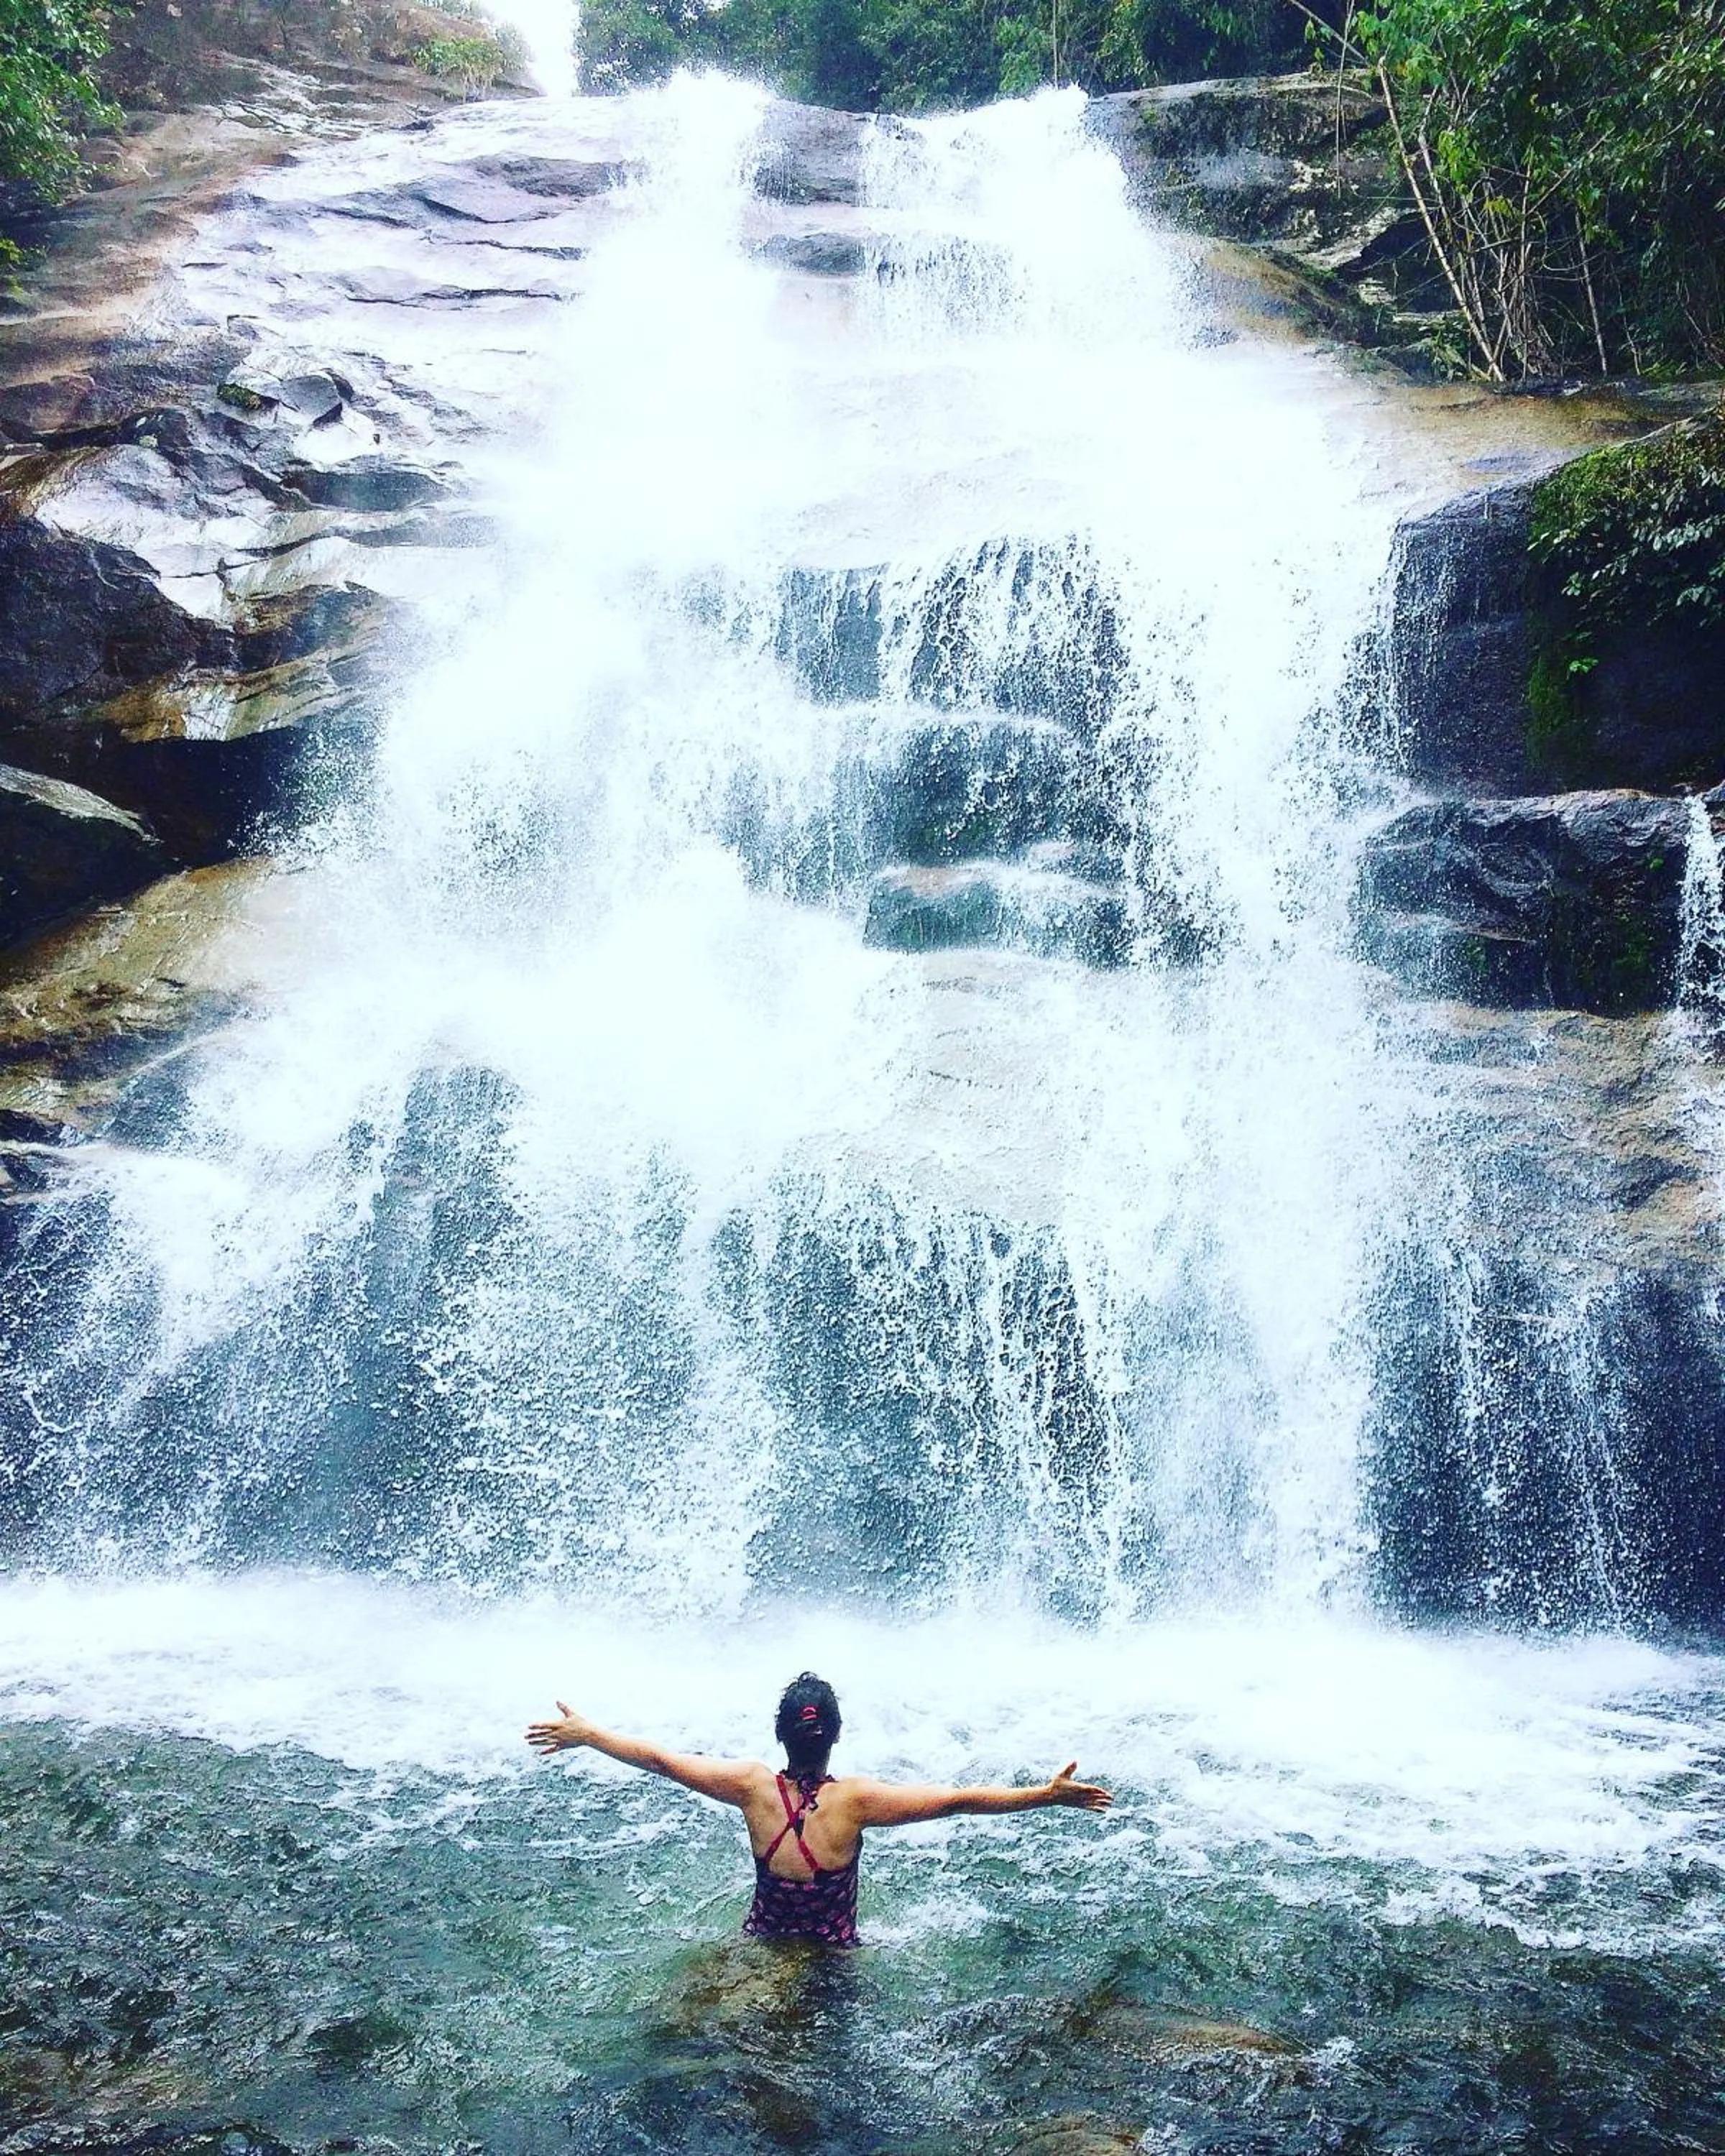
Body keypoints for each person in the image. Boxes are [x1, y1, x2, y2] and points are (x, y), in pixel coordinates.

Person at [525, 1669, 1112, 1948]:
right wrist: (1043, 1795)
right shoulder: (854, 1803)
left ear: (781, 1734)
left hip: (758, 1946)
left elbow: (661, 1760)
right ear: (834, 1735)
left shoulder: (751, 1788)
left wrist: (588, 1734)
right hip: (834, 1963)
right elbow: (956, 1802)